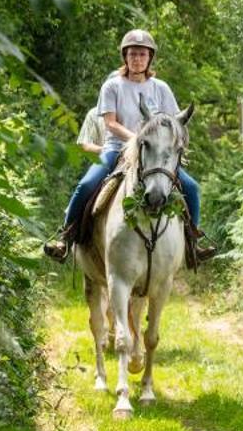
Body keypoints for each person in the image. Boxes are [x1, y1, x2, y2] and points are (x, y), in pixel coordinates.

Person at [43, 29, 214, 265]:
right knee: (86, 184)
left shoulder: (161, 88)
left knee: (192, 188)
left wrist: (166, 143)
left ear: (149, 58)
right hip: (116, 148)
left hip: (154, 154)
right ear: (125, 56)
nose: (137, 59)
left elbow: (174, 123)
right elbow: (110, 123)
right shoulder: (112, 86)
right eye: (132, 54)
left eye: (142, 54)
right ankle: (65, 238)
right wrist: (136, 139)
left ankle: (193, 244)